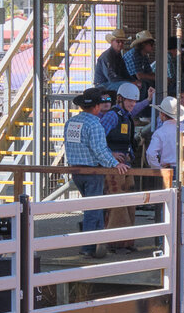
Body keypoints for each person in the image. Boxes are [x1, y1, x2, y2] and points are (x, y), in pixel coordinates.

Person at [63, 87, 126, 254]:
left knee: (92, 207)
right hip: (92, 172)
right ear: (97, 106)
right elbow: (99, 150)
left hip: (76, 170)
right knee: (94, 208)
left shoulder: (71, 123)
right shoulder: (94, 123)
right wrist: (114, 163)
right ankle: (89, 246)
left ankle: (96, 244)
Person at [99, 81, 143, 247]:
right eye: (129, 100)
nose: (132, 104)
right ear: (120, 99)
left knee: (129, 203)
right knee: (117, 204)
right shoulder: (112, 115)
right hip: (112, 168)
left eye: (134, 101)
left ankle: (126, 241)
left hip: (125, 166)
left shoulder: (126, 116)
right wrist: (111, 154)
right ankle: (116, 242)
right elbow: (98, 139)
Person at [146, 97, 184, 170]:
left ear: (162, 114)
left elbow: (150, 154)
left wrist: (158, 168)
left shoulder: (160, 132)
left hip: (170, 169)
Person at [124, 29, 156, 97]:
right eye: (151, 44)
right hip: (127, 79)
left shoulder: (144, 55)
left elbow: (149, 72)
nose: (152, 47)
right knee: (142, 84)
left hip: (134, 79)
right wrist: (155, 77)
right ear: (143, 44)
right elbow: (139, 76)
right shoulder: (133, 55)